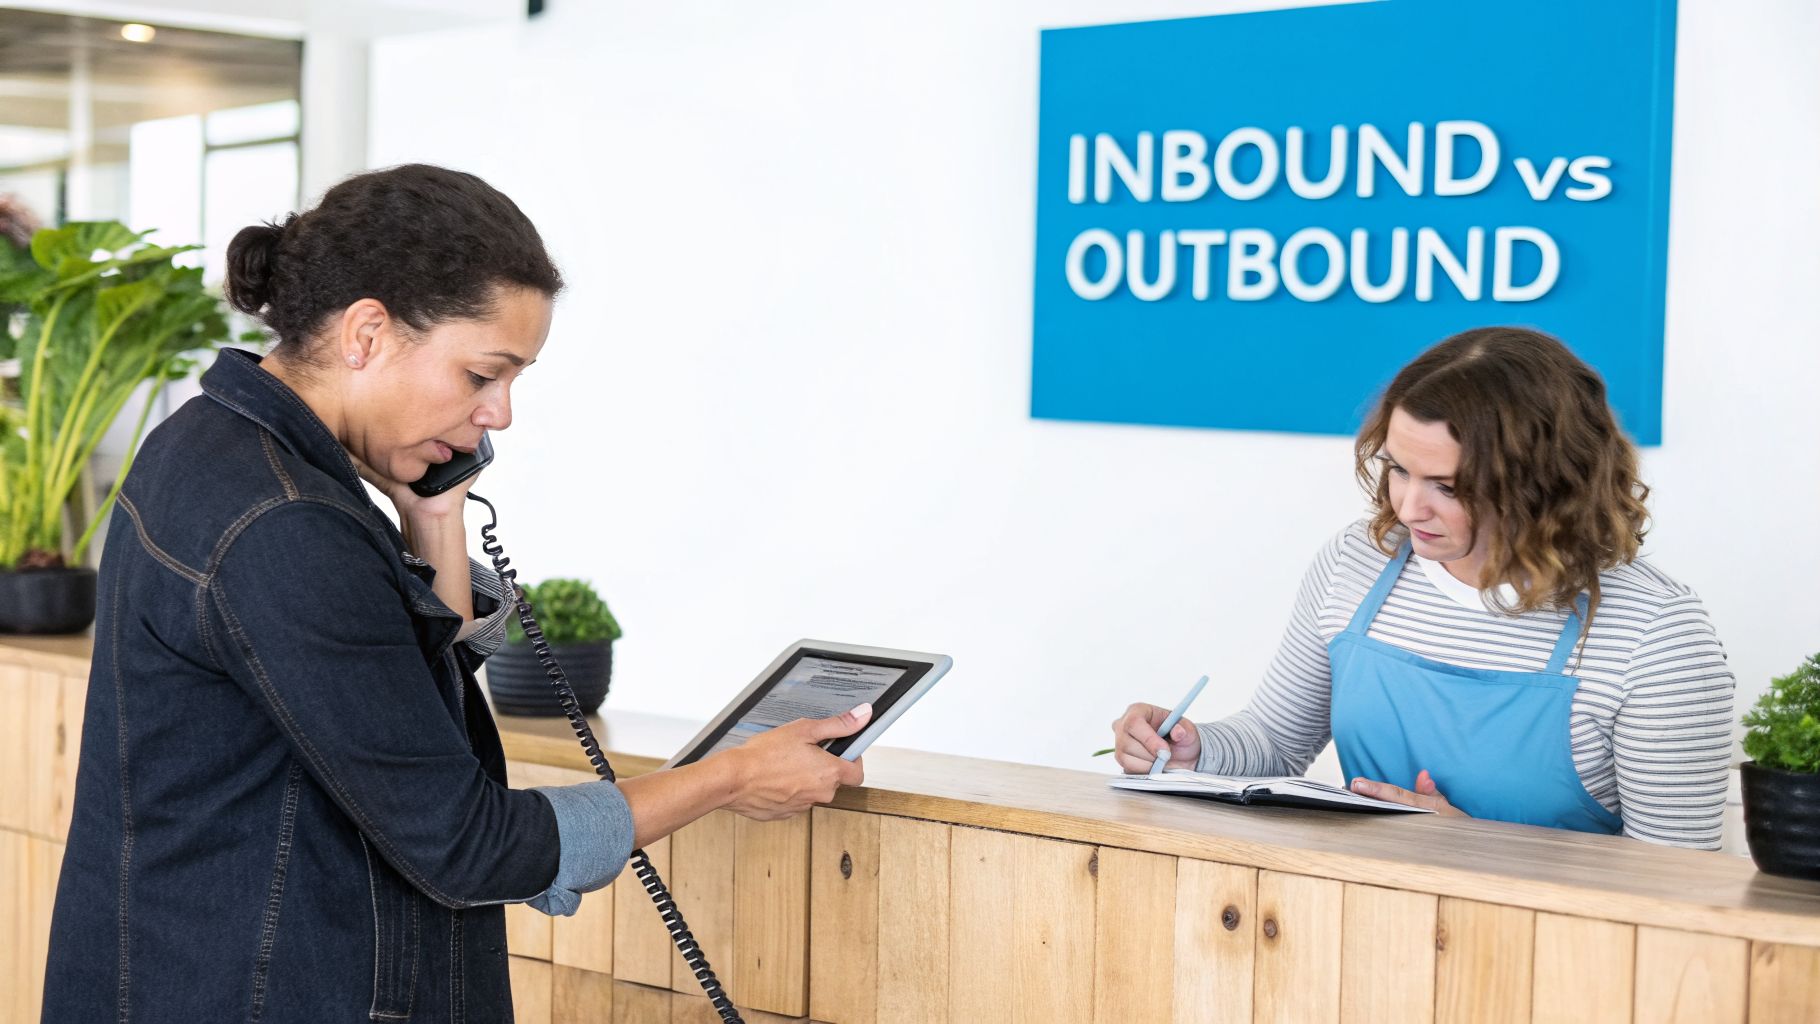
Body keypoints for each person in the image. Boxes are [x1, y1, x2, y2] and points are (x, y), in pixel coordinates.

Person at [43, 164, 867, 1022]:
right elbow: (468, 843)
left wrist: (434, 519)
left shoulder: (213, 442)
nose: (501, 413)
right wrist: (727, 778)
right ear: (367, 333)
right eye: (483, 374)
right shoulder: (287, 526)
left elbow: (400, 716)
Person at [1111, 327, 1735, 849]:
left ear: (1546, 484)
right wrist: (1192, 752)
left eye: (1449, 486)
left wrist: (1478, 848)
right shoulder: (1356, 564)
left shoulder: (1655, 634)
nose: (1409, 509)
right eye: (1398, 470)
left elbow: (1677, 887)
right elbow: (1274, 743)